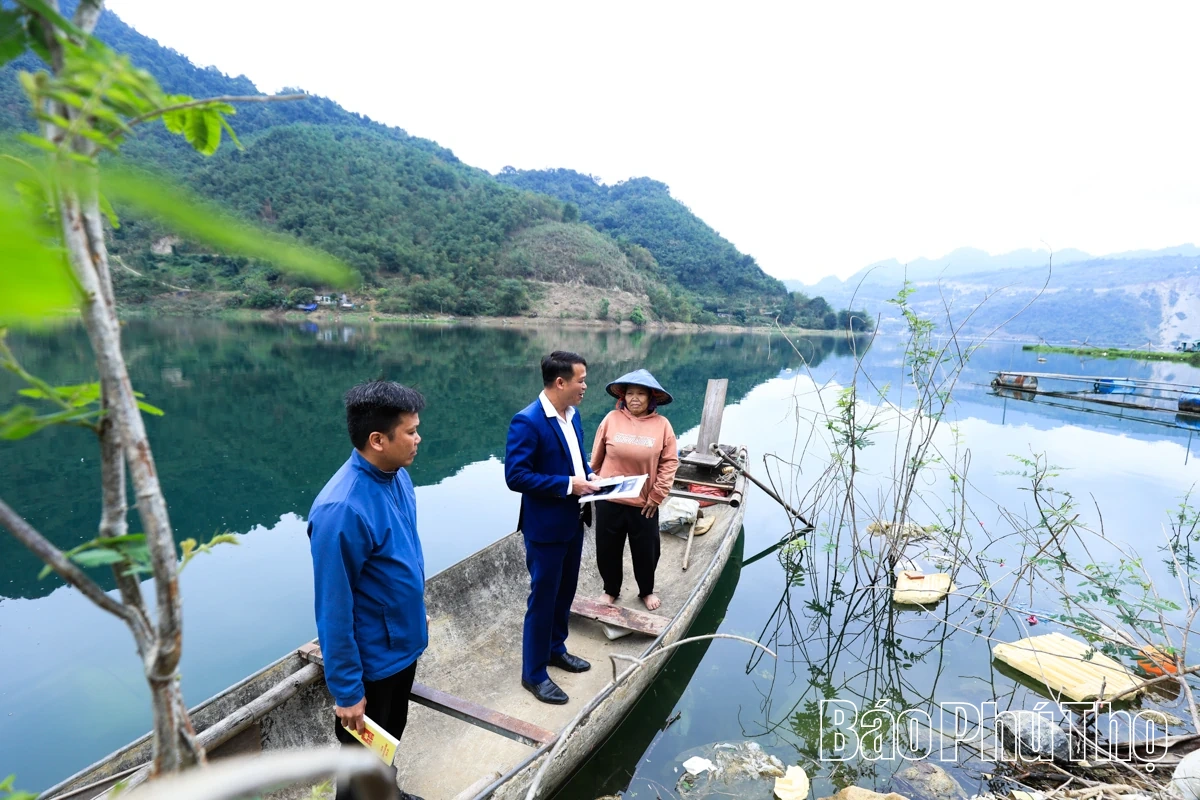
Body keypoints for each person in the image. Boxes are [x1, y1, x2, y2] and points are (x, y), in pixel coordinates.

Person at [308, 381, 428, 800]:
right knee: (358, 762)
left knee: (388, 740)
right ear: (377, 440)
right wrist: (347, 690)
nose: (418, 439)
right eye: (410, 431)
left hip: (402, 646)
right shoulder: (342, 509)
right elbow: (332, 609)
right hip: (373, 663)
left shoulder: (396, 477)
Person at [505, 351, 599, 705]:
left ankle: (556, 649)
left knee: (565, 592)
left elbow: (576, 461)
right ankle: (534, 673)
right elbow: (516, 476)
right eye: (581, 380)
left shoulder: (572, 416)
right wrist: (568, 484)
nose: (585, 386)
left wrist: (590, 477)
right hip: (545, 527)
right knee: (543, 599)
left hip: (573, 519)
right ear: (560, 382)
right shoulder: (528, 421)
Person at [590, 369, 679, 612]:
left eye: (641, 394)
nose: (635, 398)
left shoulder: (662, 426)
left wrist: (658, 494)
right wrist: (590, 485)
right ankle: (610, 590)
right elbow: (596, 459)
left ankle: (646, 591)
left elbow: (670, 462)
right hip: (609, 498)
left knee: (647, 550)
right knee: (607, 547)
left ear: (651, 398)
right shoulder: (611, 419)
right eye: (630, 393)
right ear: (624, 397)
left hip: (644, 502)